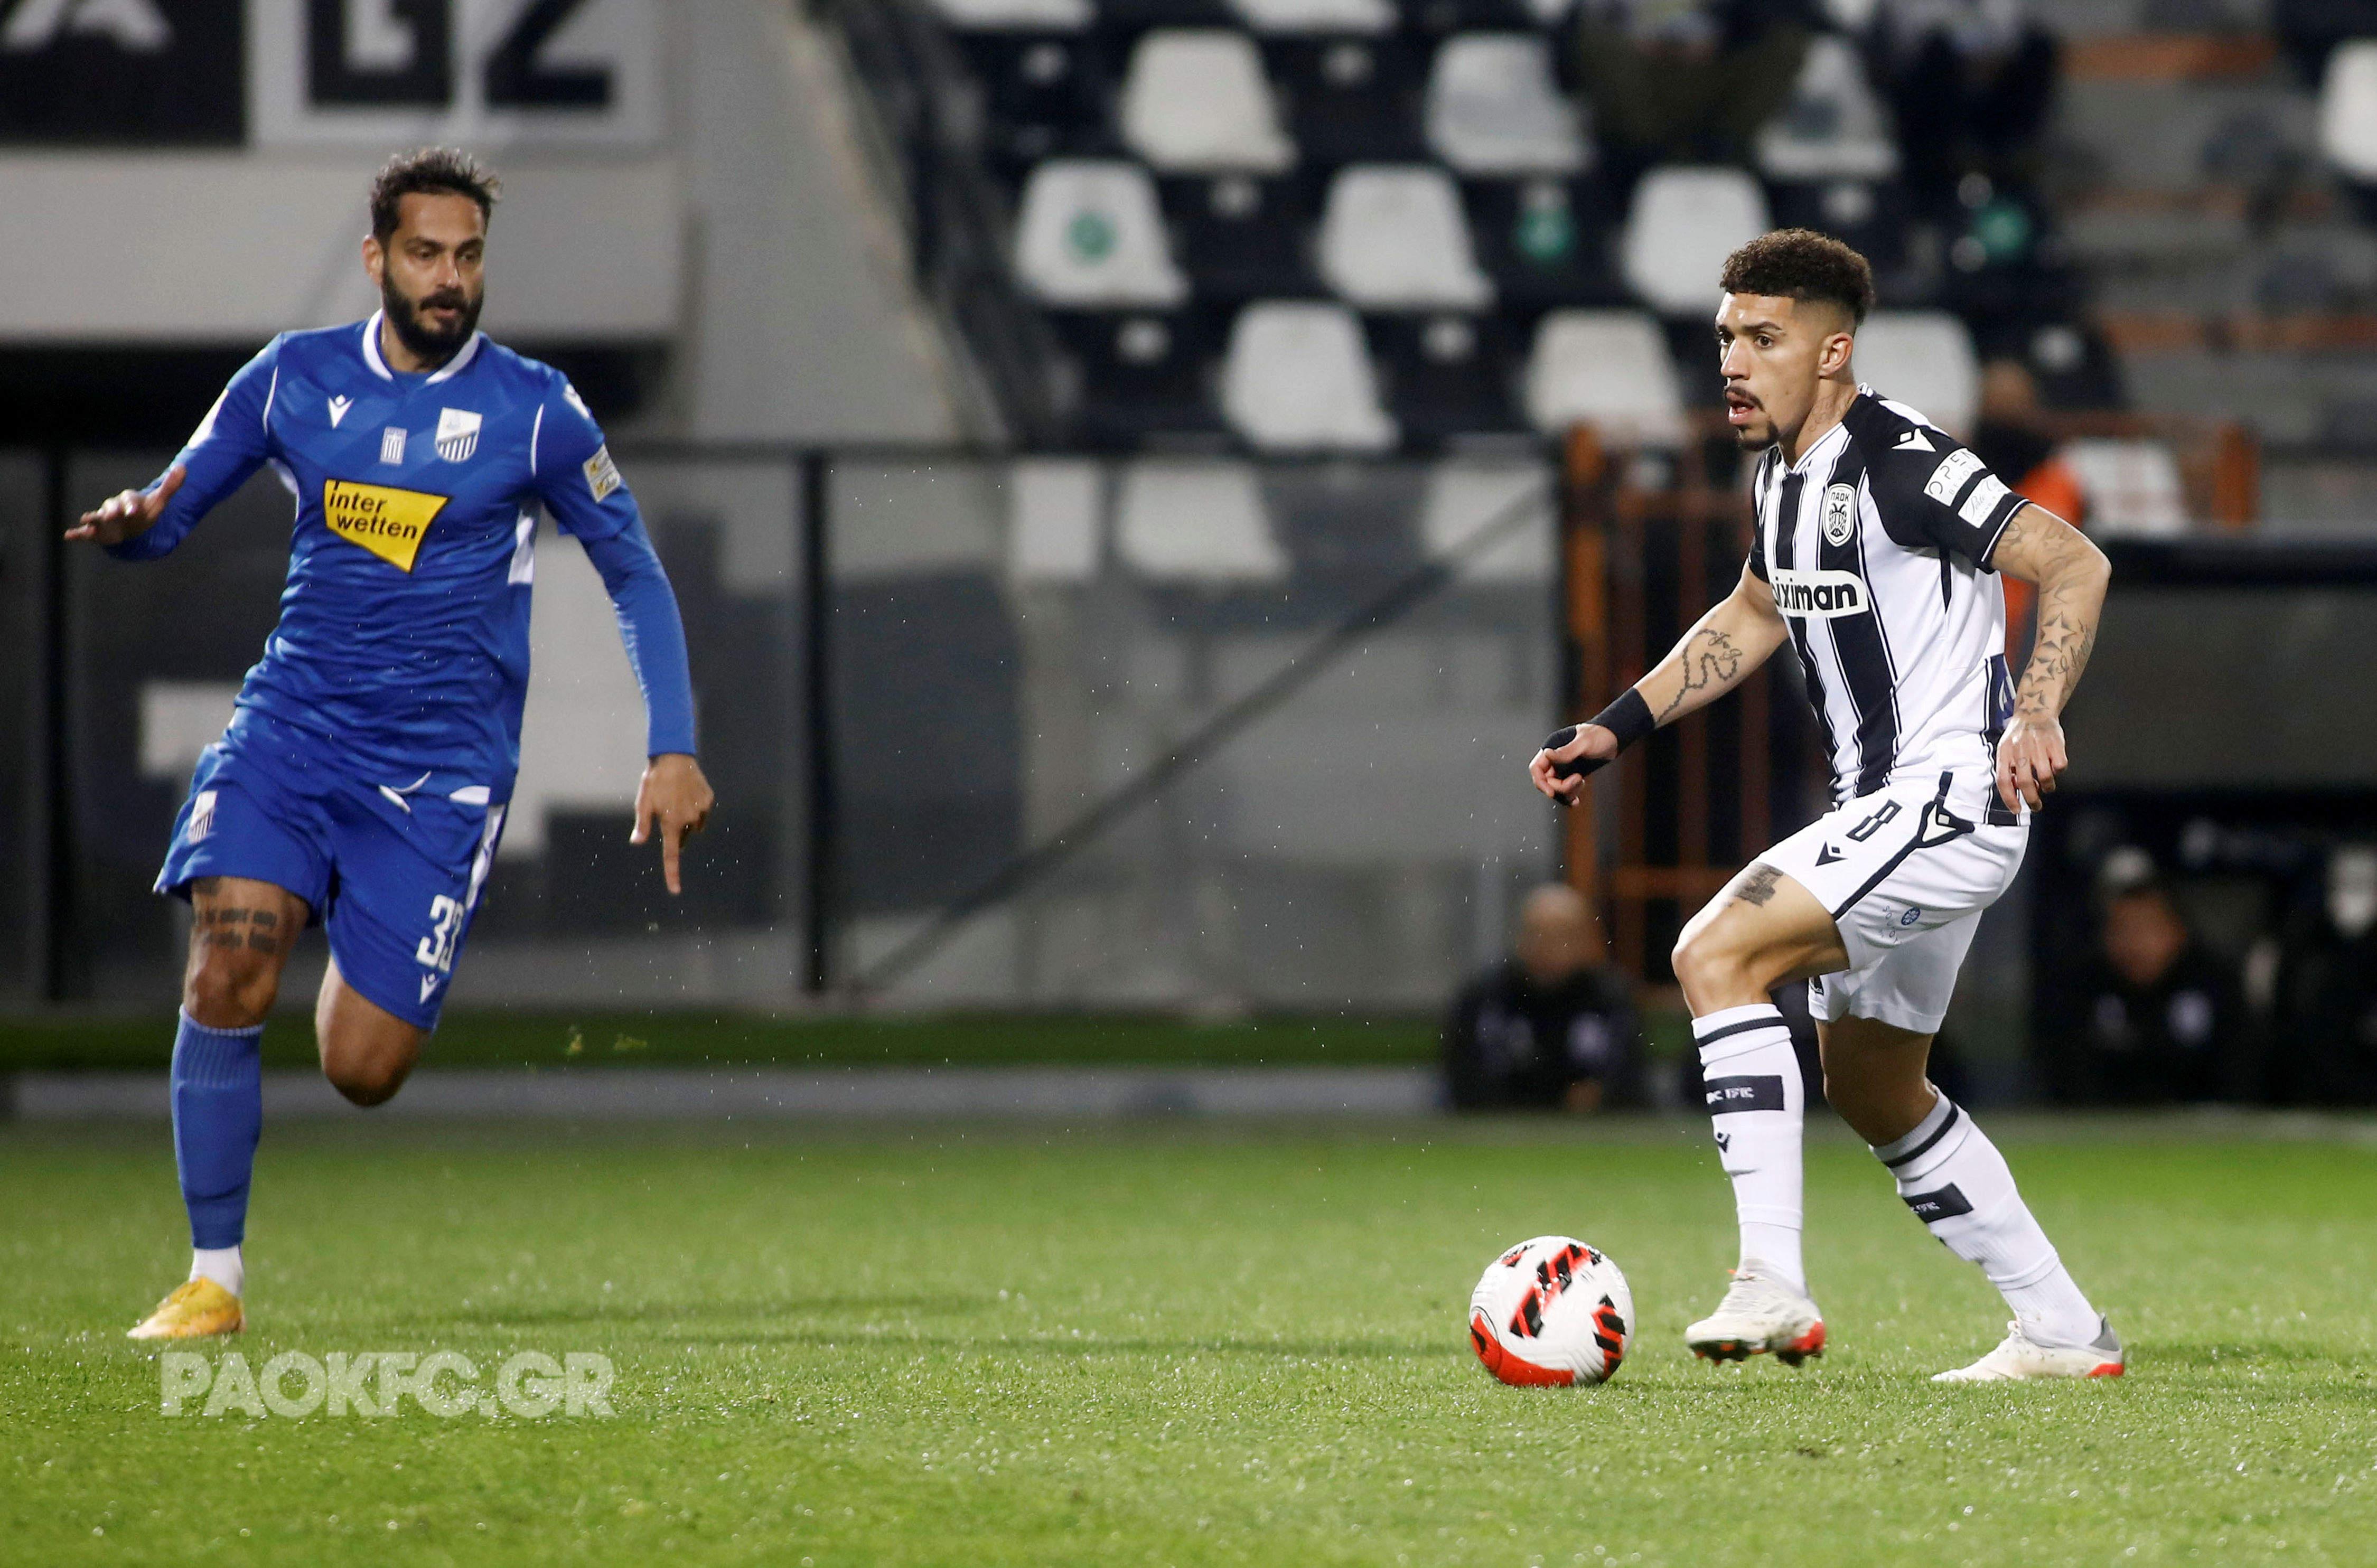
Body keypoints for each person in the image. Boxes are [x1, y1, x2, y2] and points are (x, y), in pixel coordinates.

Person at [70, 148, 717, 1340]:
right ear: (376, 258)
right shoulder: (290, 382)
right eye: (424, 253)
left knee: (363, 1068)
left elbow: (635, 575)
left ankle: (357, 943)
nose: (447, 278)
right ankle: (214, 1280)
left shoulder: (535, 412)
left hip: (436, 778)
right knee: (226, 963)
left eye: (467, 256)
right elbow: (169, 516)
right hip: (291, 734)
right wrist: (131, 529)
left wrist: (669, 744)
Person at [1530, 229, 2122, 1382]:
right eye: (1726, 340)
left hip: (1949, 794)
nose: (1735, 364)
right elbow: (1752, 614)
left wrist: (2036, 709)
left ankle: (1773, 1281)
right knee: (1872, 1085)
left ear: (1833, 349)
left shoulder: (1903, 458)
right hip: (1895, 811)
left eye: (1764, 338)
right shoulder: (1780, 480)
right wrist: (1615, 723)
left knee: (1714, 949)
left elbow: (2073, 560)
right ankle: (2061, 1328)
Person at [2043, 876, 2244, 1105]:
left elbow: (2239, 1071)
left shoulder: (2214, 984)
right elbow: (2066, 1073)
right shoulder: (2084, 986)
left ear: (2177, 931)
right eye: (2121, 930)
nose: (2134, 943)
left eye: (2147, 928)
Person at [1443, 884, 1640, 1112]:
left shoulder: (1610, 998)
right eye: (1537, 934)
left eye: (1562, 936)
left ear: (1589, 939)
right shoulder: (1485, 997)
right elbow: (1464, 1077)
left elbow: (1630, 1081)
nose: (1547, 947)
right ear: (1520, 938)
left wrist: (1598, 1095)